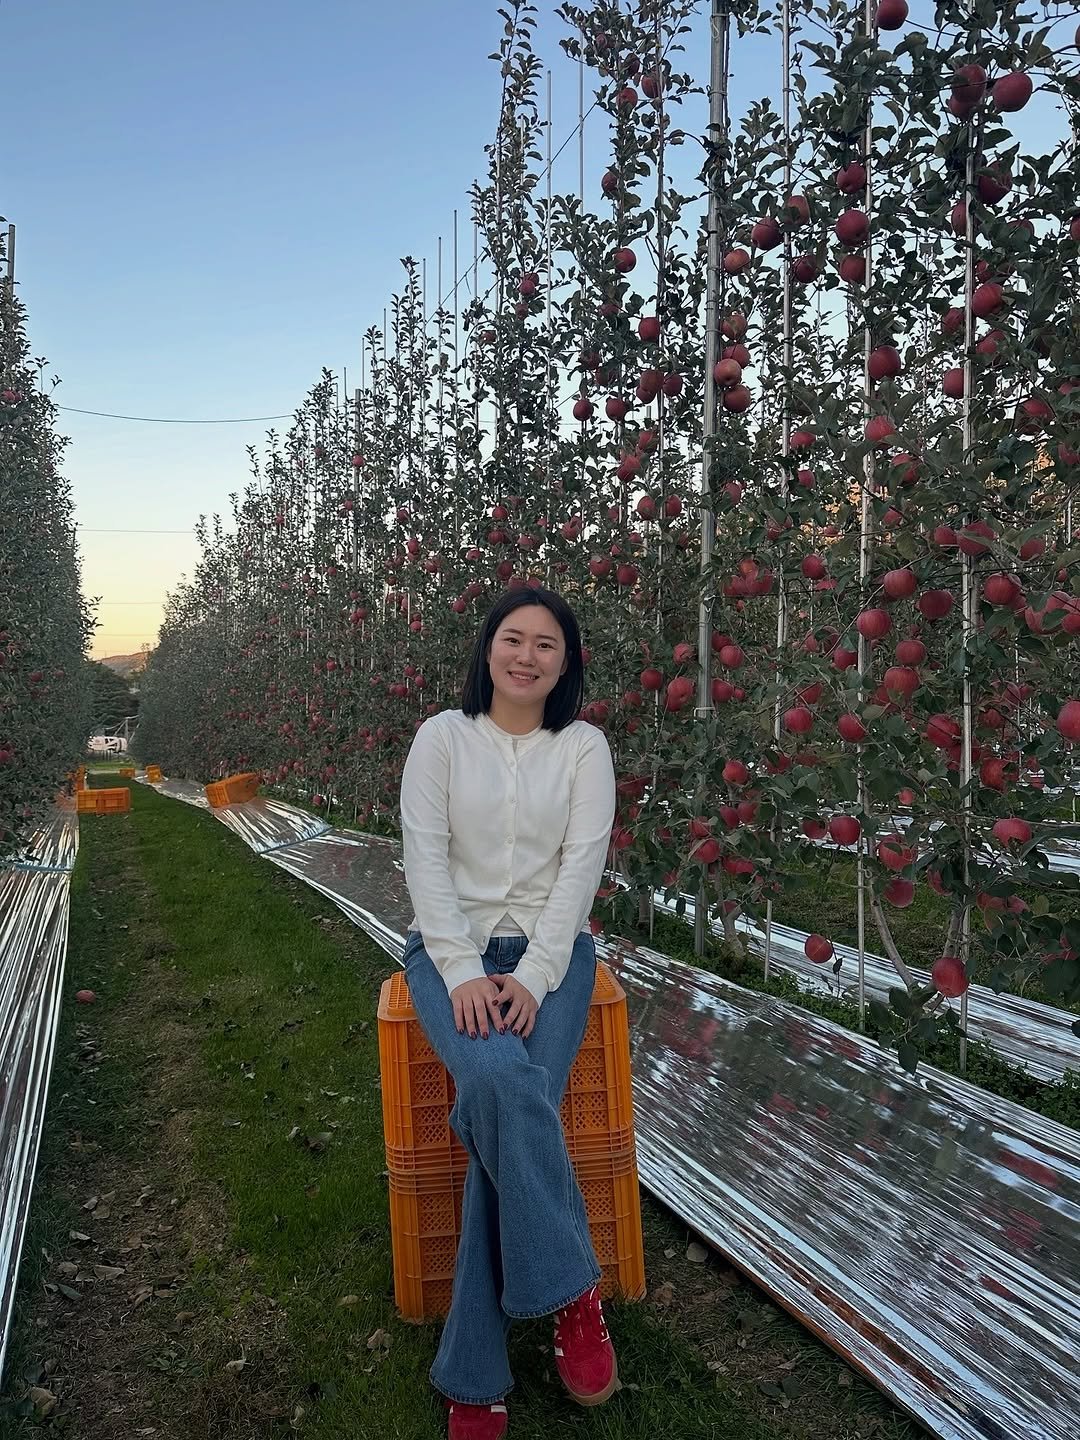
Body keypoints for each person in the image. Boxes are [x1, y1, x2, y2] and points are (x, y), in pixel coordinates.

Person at [399, 586, 618, 1440]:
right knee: (501, 1081)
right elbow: (422, 857)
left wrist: (533, 972)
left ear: (565, 665)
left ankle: (476, 1374)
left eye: (546, 646)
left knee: (496, 1106)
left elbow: (579, 868)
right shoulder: (442, 739)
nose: (526, 657)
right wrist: (459, 970)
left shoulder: (584, 748)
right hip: (447, 951)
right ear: (488, 648)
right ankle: (574, 1291)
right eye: (513, 639)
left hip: (552, 959)